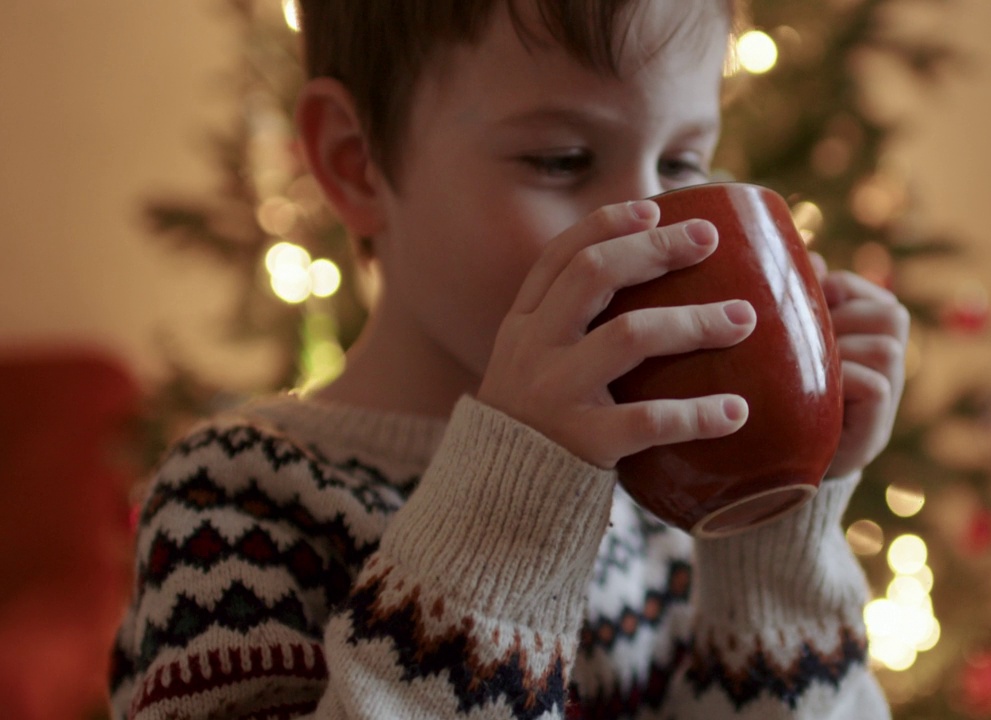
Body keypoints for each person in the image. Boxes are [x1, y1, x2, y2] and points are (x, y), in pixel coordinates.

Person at [109, 0, 909, 717]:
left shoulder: (658, 508)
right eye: (561, 159)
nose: (643, 227)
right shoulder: (237, 501)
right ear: (356, 161)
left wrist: (773, 544)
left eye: (680, 165)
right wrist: (508, 514)